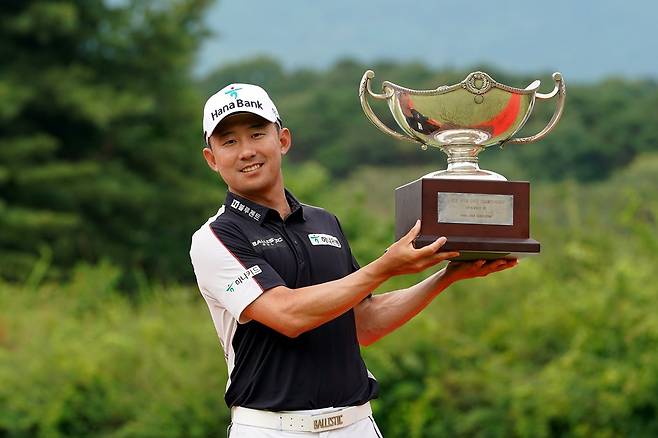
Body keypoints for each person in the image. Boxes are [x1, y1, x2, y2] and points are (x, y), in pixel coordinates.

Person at [189, 83, 518, 438]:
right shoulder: (216, 237)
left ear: (282, 140)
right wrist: (385, 266)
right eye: (229, 141)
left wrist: (446, 276)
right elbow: (288, 315)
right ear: (212, 158)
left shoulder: (324, 222)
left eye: (257, 134)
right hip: (271, 428)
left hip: (355, 424)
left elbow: (365, 323)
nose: (247, 151)